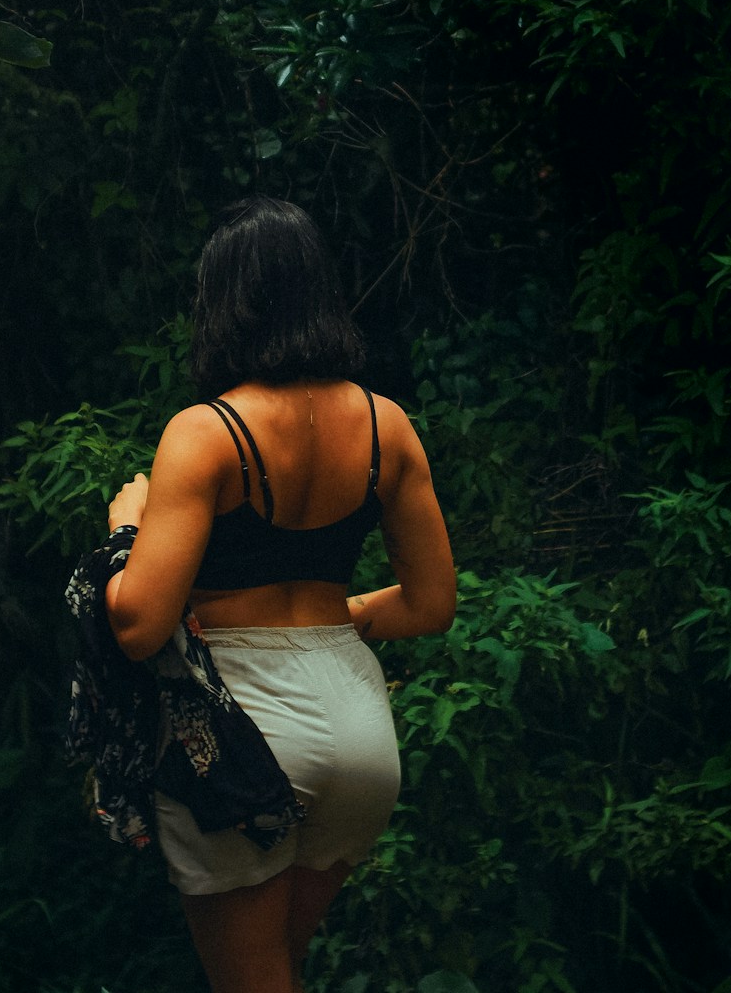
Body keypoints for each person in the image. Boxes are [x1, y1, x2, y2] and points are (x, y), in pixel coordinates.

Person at [103, 196, 456, 993]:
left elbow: (138, 622)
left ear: (221, 301)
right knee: (276, 972)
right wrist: (345, 618)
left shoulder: (206, 433)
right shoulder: (387, 425)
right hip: (360, 730)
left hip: (246, 728)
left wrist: (126, 530)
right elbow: (432, 604)